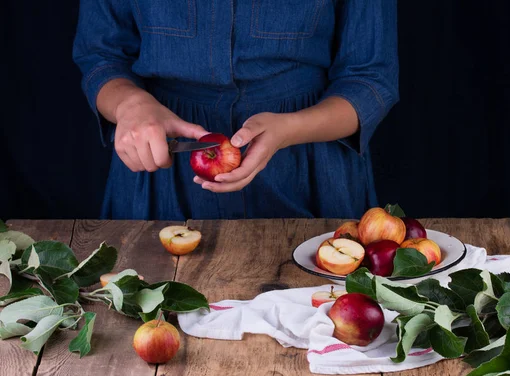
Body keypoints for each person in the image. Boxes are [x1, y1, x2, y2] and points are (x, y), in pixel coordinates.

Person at [72, 0, 399, 221]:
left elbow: (369, 79)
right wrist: (130, 105)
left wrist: (290, 129)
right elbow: (101, 56)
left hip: (309, 168)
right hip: (158, 172)